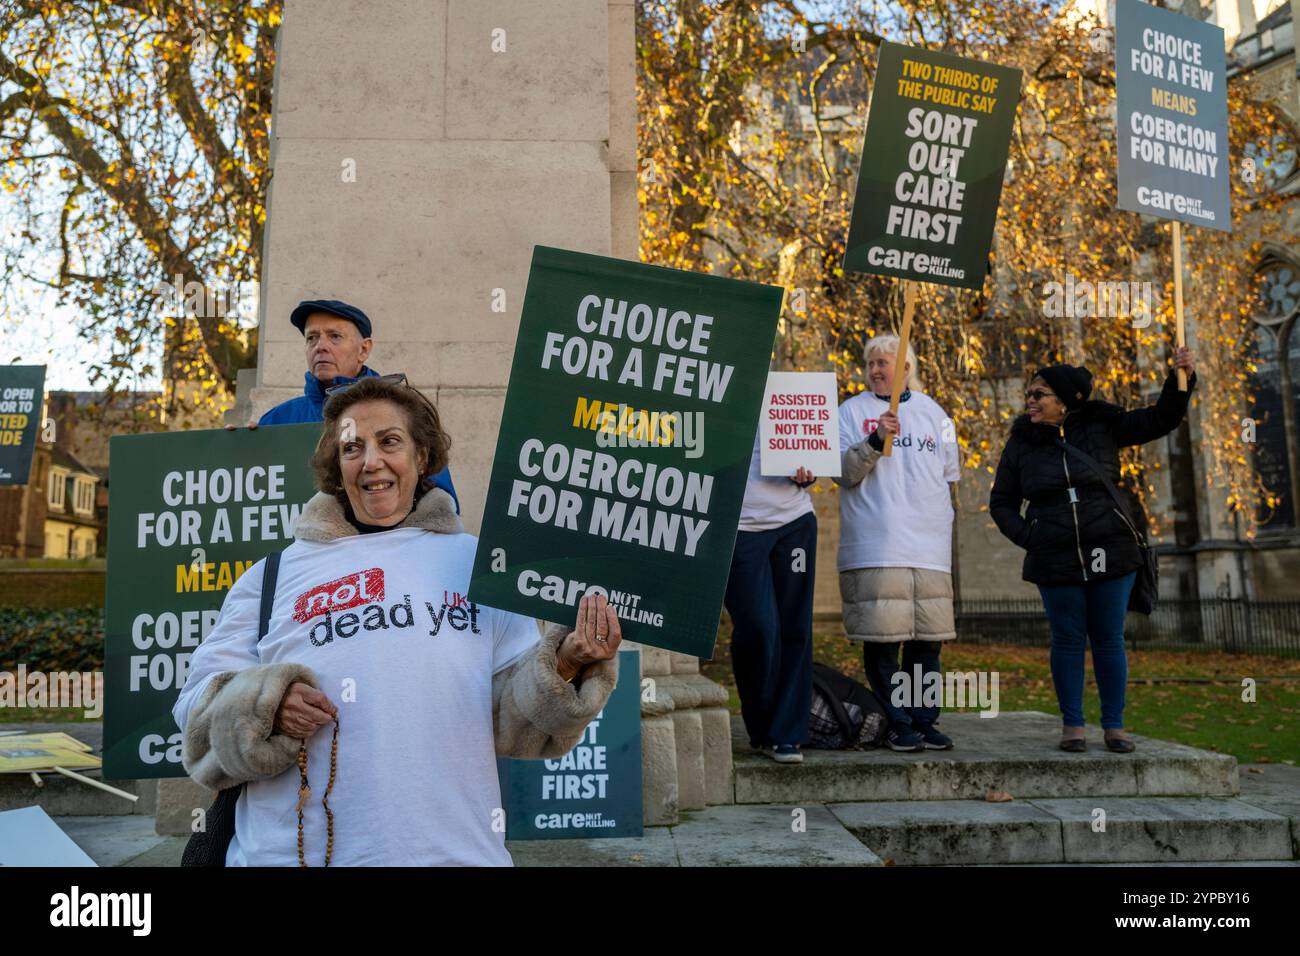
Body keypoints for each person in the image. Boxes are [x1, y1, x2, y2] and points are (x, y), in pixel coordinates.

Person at [174, 376, 620, 865]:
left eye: (390, 442)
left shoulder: (480, 565)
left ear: (422, 457)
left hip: (454, 855)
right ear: (336, 464)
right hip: (290, 856)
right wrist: (267, 705)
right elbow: (193, 711)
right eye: (352, 447)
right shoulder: (273, 575)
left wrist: (568, 664)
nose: (371, 462)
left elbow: (515, 725)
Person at [988, 349, 1197, 753]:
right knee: (1067, 638)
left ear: (1067, 400)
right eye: (1030, 393)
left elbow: (1162, 418)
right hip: (1054, 554)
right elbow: (1001, 503)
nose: (1030, 399)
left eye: (1040, 393)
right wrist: (1032, 536)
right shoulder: (1021, 444)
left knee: (1108, 638)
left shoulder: (1104, 424)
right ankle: (1073, 725)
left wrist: (1180, 378)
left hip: (1111, 549)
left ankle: (1114, 726)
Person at [834, 334, 960, 752]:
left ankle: (924, 720)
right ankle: (897, 722)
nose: (874, 370)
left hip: (928, 550)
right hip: (876, 545)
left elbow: (948, 477)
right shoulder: (851, 412)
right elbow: (842, 472)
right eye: (869, 363)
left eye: (883, 363)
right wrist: (873, 440)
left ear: (906, 367)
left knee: (927, 641)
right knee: (884, 640)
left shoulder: (935, 414)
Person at [230, 298, 458, 509]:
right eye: (312, 338)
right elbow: (249, 506)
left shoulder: (404, 414)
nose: (321, 346)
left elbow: (441, 505)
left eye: (334, 336)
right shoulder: (277, 420)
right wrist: (232, 451)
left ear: (364, 349)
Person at [723, 429, 817, 763]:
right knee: (758, 627)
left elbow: (814, 448)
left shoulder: (784, 391)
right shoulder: (718, 388)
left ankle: (787, 734)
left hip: (795, 523)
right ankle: (762, 724)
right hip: (739, 529)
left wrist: (810, 470)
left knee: (795, 628)